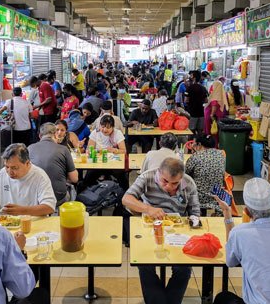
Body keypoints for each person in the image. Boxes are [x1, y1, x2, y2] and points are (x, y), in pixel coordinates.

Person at [122, 158, 200, 304]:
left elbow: (195, 212)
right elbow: (126, 199)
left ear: (181, 178)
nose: (169, 187)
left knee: (184, 269)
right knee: (144, 264)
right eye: (165, 181)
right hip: (149, 228)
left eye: (175, 183)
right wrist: (148, 209)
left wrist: (192, 224)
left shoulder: (189, 183)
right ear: (159, 172)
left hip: (177, 231)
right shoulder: (147, 176)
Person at [0, 143, 56, 216]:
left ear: (27, 163)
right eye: (7, 167)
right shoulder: (3, 173)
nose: (9, 172)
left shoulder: (39, 176)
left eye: (14, 168)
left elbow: (49, 207)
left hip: (32, 222)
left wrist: (22, 211)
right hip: (6, 222)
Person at [28, 123, 78, 206]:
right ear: (55, 134)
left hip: (35, 198)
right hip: (58, 197)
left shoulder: (29, 148)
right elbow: (74, 179)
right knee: (71, 192)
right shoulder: (64, 149)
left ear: (40, 136)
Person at [83, 115, 128, 191]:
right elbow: (89, 149)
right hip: (98, 163)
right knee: (88, 178)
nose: (104, 130)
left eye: (108, 127)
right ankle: (86, 195)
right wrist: (93, 151)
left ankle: (125, 195)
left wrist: (114, 150)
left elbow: (123, 151)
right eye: (102, 127)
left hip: (113, 163)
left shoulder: (117, 133)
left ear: (113, 127)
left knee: (122, 178)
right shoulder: (95, 133)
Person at [185, 134, 226, 215]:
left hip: (199, 196)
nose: (193, 145)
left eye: (194, 143)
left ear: (199, 144)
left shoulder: (196, 156)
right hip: (218, 195)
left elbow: (185, 174)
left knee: (183, 183)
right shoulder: (221, 155)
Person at [204, 80, 228, 144]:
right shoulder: (221, 94)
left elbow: (214, 105)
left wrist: (211, 115)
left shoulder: (215, 95)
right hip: (218, 118)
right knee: (216, 134)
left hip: (212, 119)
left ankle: (211, 147)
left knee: (212, 133)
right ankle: (216, 146)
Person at [185, 71, 208, 136]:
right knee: (200, 131)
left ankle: (191, 144)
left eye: (191, 76)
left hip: (192, 113)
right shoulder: (203, 88)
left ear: (194, 78)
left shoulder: (189, 88)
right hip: (201, 112)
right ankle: (199, 144)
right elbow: (206, 100)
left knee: (191, 131)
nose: (190, 77)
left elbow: (186, 100)